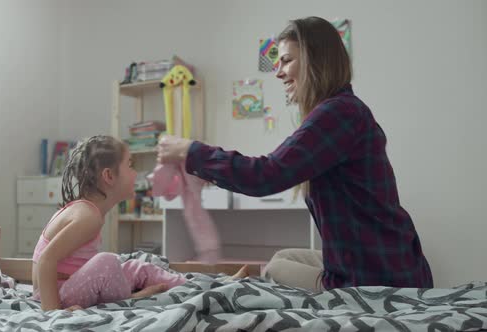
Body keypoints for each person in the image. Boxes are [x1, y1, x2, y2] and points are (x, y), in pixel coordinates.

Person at [157, 16, 433, 291]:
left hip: (377, 277)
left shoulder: (339, 113)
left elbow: (265, 175)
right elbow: (271, 169)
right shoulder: (341, 111)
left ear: (315, 61)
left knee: (275, 268)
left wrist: (190, 151)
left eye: (287, 61)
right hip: (381, 262)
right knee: (283, 258)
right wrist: (207, 168)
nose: (278, 72)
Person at [31, 135, 188, 311]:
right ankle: (132, 299)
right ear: (109, 176)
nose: (135, 173)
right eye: (130, 165)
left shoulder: (87, 211)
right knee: (107, 261)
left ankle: (187, 286)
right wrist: (53, 313)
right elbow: (45, 260)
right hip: (56, 296)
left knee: (134, 267)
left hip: (67, 284)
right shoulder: (88, 217)